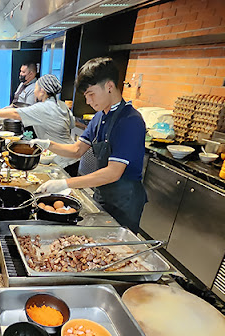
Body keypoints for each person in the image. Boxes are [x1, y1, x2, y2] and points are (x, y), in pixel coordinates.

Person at [34, 57, 147, 233]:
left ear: (109, 86)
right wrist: (48, 144)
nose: (88, 101)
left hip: (124, 201)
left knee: (119, 250)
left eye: (91, 94)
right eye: (86, 96)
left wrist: (66, 183)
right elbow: (77, 150)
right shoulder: (99, 117)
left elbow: (113, 172)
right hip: (103, 194)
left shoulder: (130, 121)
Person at [0, 74, 80, 176]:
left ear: (42, 91)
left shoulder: (43, 107)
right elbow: (71, 125)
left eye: (36, 88)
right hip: (72, 157)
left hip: (60, 160)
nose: (34, 91)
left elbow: (16, 113)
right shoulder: (62, 105)